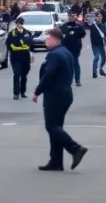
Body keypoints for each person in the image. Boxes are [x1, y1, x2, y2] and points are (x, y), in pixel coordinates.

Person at [32, 29, 88, 172]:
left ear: (56, 40)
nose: (46, 42)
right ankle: (56, 161)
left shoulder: (54, 55)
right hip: (65, 93)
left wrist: (37, 91)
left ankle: (75, 148)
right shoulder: (66, 52)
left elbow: (49, 75)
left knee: (51, 126)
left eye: (48, 39)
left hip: (55, 94)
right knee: (57, 127)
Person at [6, 17, 35, 100]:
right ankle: (16, 93)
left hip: (25, 56)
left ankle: (23, 92)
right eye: (18, 23)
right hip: (15, 56)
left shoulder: (27, 33)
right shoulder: (12, 33)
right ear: (16, 24)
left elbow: (31, 45)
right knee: (17, 73)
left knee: (24, 75)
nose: (19, 24)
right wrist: (12, 50)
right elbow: (8, 44)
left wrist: (32, 56)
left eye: (21, 23)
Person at [59, 10, 86, 86]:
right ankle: (68, 80)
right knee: (67, 64)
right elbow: (61, 35)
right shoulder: (64, 25)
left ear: (76, 17)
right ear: (68, 16)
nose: (72, 17)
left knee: (75, 63)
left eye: (73, 16)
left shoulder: (79, 25)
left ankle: (77, 80)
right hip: (66, 47)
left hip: (75, 48)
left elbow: (83, 34)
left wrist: (75, 33)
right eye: (70, 16)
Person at [88, 10, 106, 78]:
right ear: (96, 17)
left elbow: (105, 33)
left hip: (101, 44)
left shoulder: (103, 25)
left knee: (104, 58)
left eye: (100, 16)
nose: (99, 17)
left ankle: (100, 68)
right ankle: (94, 72)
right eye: (98, 16)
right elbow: (92, 34)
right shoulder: (93, 25)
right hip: (95, 44)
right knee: (96, 57)